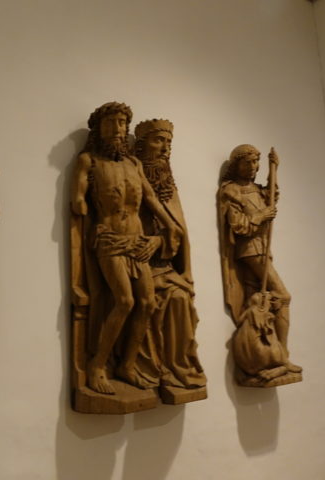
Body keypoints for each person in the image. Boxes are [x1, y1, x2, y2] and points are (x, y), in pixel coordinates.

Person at [71, 102, 181, 395]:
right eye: (111, 123)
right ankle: (97, 365)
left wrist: (169, 225)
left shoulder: (134, 164)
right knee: (124, 301)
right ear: (99, 128)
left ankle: (127, 365)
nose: (117, 129)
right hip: (110, 241)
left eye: (122, 123)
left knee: (147, 302)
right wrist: (80, 201)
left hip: (137, 241)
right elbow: (78, 199)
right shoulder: (89, 161)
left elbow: (150, 199)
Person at [133, 119, 206, 394]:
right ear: (141, 146)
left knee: (180, 298)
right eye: (158, 141)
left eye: (168, 142)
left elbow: (179, 231)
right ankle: (152, 366)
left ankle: (177, 365)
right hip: (136, 263)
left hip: (164, 264)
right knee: (157, 300)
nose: (165, 148)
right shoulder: (130, 178)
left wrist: (164, 245)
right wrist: (150, 242)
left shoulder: (168, 186)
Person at [218, 144, 301, 380]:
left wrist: (274, 170)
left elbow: (272, 196)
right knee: (283, 297)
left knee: (259, 302)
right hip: (251, 250)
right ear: (236, 165)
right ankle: (283, 356)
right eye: (248, 162)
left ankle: (264, 356)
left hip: (263, 249)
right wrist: (260, 216)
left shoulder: (256, 189)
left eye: (256, 162)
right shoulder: (231, 191)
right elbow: (238, 226)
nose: (253, 167)